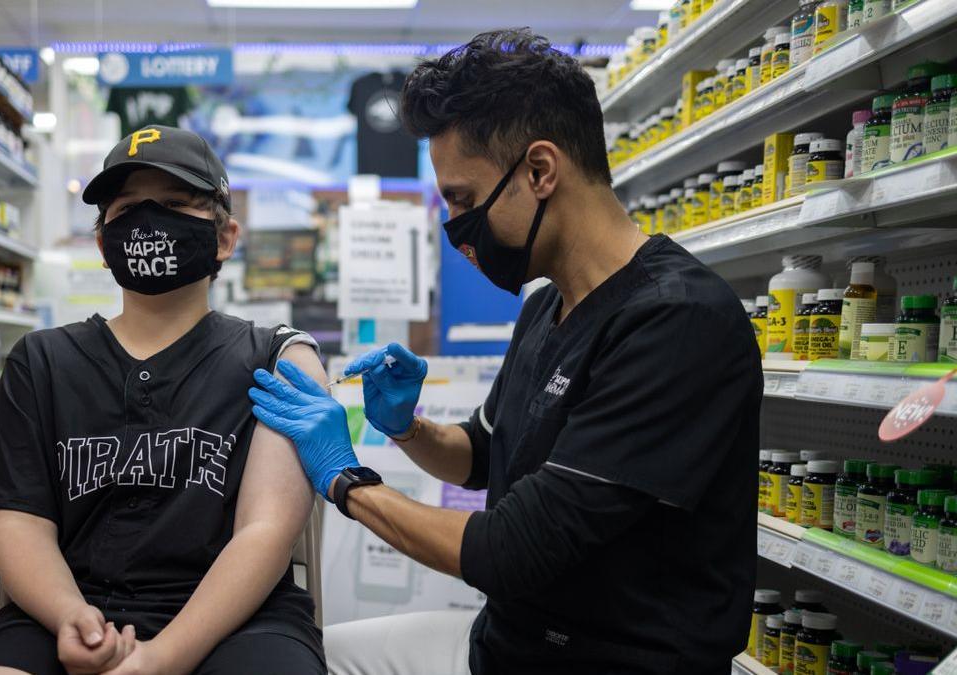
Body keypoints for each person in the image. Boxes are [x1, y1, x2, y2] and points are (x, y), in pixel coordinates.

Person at [249, 29, 762, 675]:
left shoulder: (676, 323)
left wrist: (344, 478)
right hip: (511, 641)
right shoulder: (550, 305)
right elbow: (484, 457)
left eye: (463, 199)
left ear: (540, 170)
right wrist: (407, 427)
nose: (457, 229)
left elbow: (510, 550)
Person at [0, 125, 326, 675]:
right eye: (128, 206)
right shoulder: (39, 363)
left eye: (177, 203)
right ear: (104, 243)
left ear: (225, 238)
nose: (150, 221)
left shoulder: (281, 359)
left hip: (243, 620)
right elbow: (17, 521)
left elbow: (266, 531)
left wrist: (161, 659)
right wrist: (70, 618)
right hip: (61, 609)